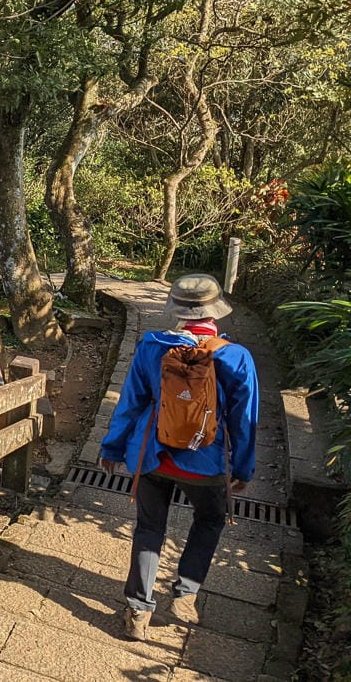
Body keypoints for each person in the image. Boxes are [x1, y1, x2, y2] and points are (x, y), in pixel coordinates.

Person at [99, 273, 258, 641]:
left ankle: (138, 611)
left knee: (150, 528)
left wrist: (111, 447)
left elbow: (131, 402)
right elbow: (245, 420)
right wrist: (243, 467)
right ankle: (185, 595)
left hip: (153, 455)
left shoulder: (152, 347)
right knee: (209, 519)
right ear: (215, 311)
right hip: (206, 462)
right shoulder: (235, 357)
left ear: (177, 311)